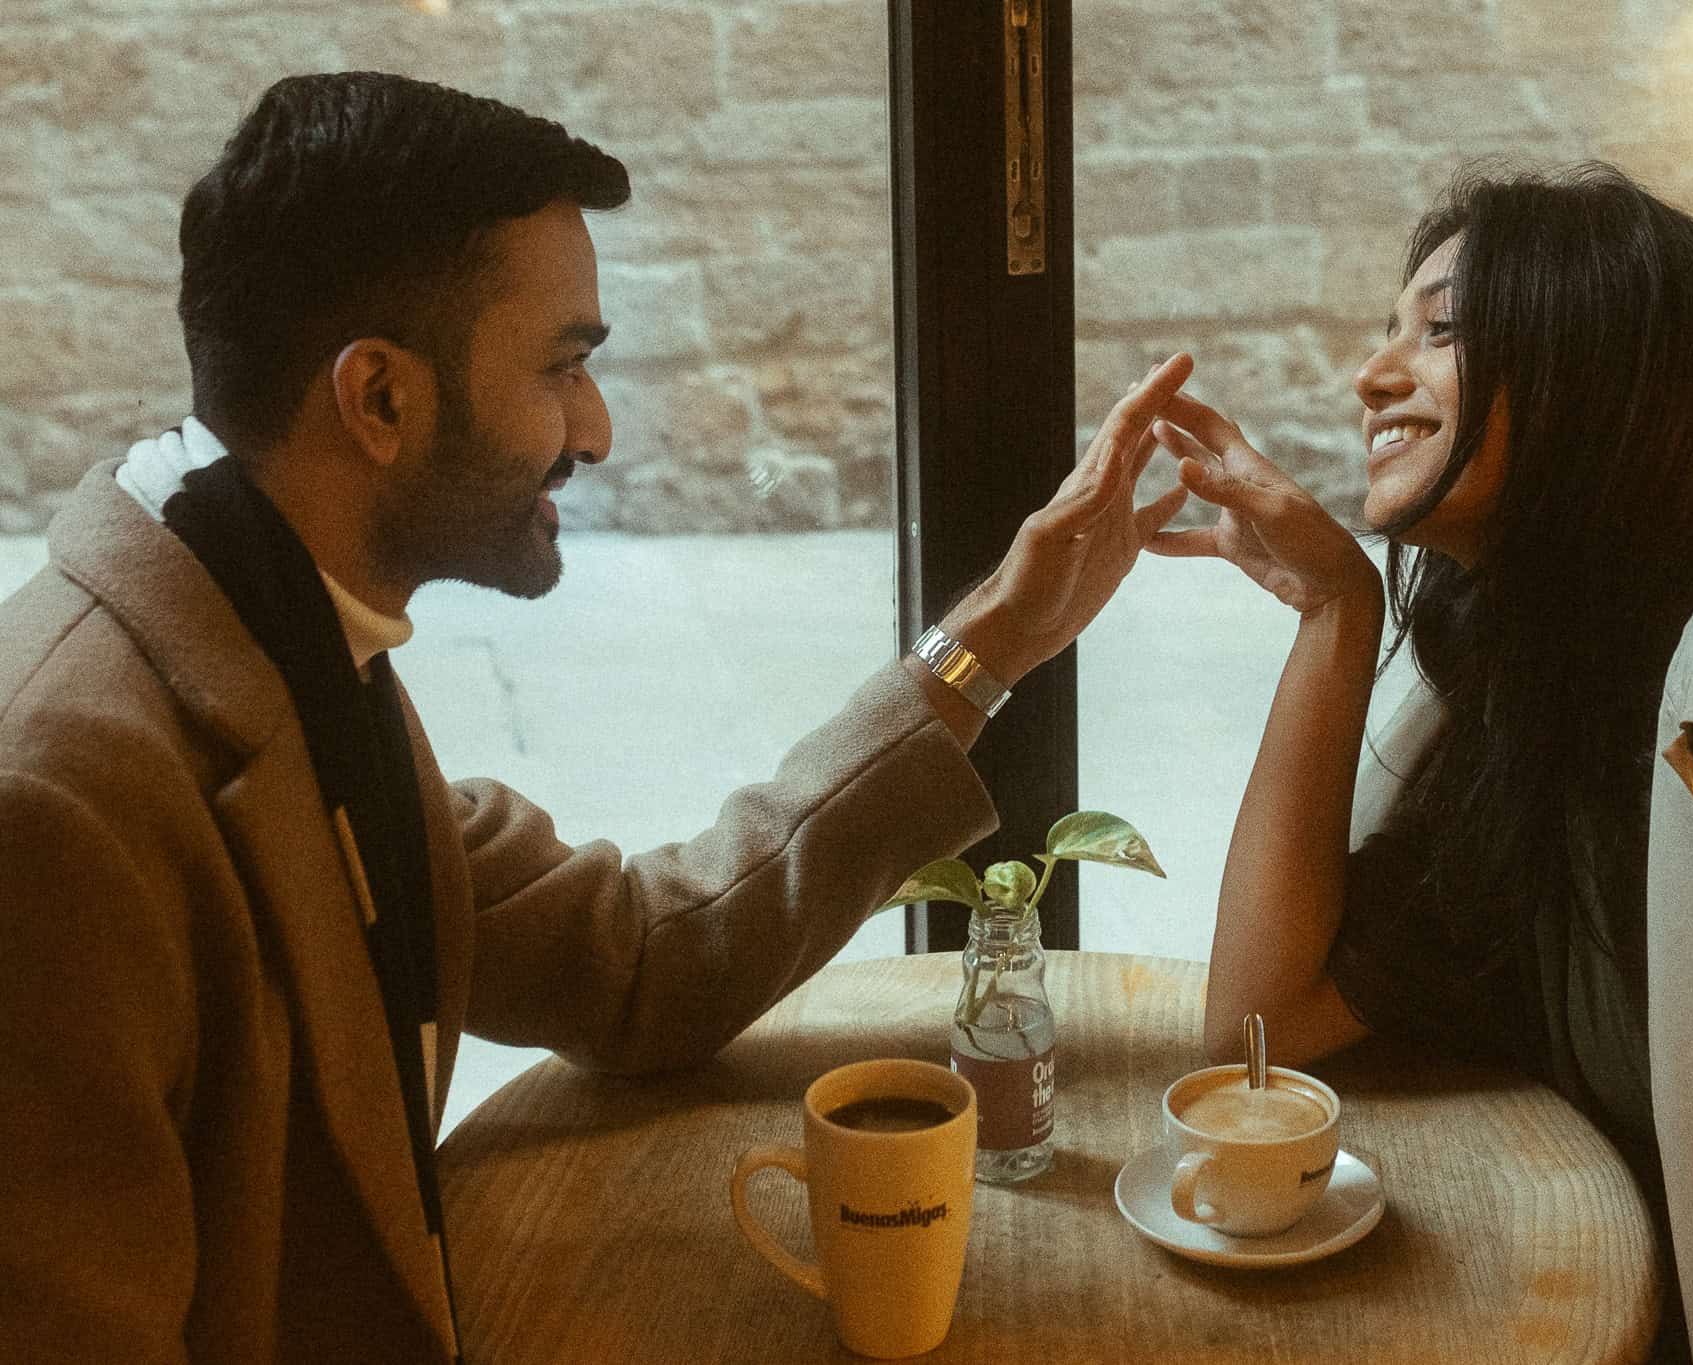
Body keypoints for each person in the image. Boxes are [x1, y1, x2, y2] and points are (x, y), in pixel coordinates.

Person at [0, 72, 1194, 1362]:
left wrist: (995, 642)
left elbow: (633, 966)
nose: (598, 429)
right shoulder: (60, 806)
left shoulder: (273, 629)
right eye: (563, 366)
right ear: (380, 399)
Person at [1145, 162, 1693, 1364]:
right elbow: (1261, 1023)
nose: (1371, 375)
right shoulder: (1520, 689)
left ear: (1596, 374)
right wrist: (1334, 614)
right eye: (1390, 330)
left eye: (1442, 331)